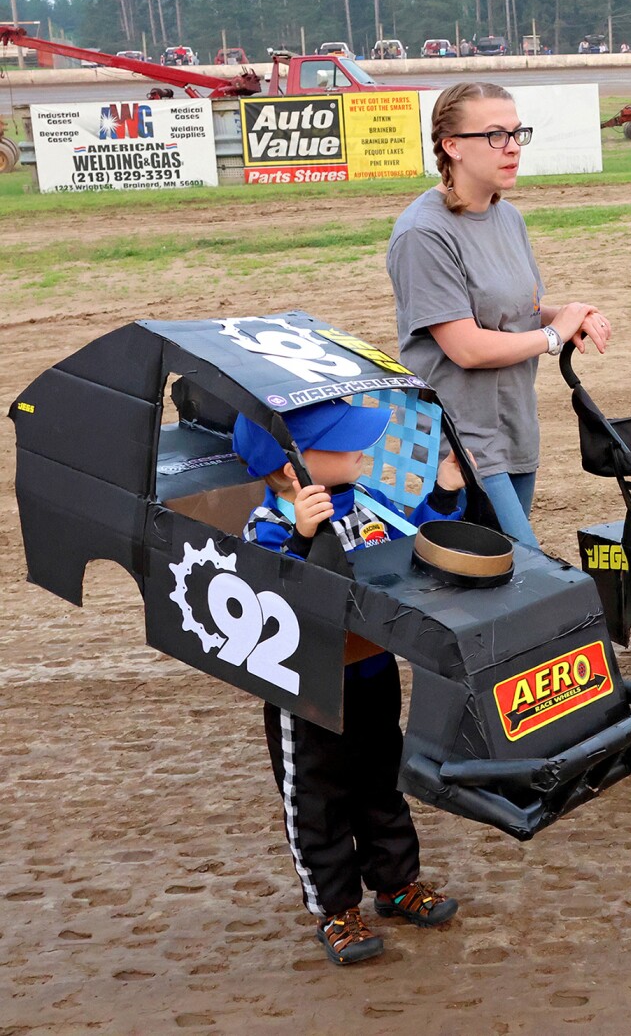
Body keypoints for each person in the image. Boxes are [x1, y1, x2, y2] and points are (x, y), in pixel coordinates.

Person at [232, 398, 466, 965]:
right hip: (304, 689)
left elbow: (421, 543)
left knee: (383, 778)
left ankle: (395, 882)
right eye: (344, 441)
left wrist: (445, 491)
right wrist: (302, 538)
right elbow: (265, 602)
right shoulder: (265, 527)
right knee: (316, 797)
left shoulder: (363, 503)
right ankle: (335, 910)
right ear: (294, 467)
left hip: (372, 670)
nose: (362, 448)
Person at [388, 82, 611, 546]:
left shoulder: (508, 218)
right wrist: (553, 337)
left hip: (514, 426)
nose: (512, 147)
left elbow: (519, 312)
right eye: (494, 135)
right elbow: (466, 347)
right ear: (452, 147)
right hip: (462, 442)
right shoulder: (423, 233)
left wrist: (567, 315)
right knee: (517, 567)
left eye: (516, 133)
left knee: (498, 579)